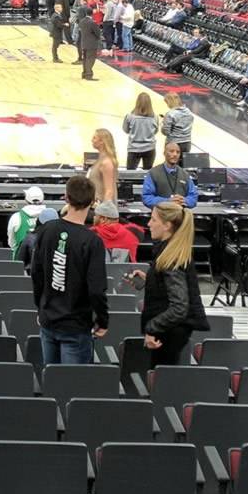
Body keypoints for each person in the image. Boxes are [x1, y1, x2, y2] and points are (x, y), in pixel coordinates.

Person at [27, 174, 109, 364]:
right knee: (72, 386)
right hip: (76, 326)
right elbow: (97, 289)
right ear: (93, 202)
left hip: (49, 320)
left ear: (66, 197)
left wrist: (40, 307)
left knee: (53, 382)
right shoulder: (92, 241)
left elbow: (36, 274)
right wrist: (103, 320)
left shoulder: (47, 230)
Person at [130, 201, 209, 366]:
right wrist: (150, 278)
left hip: (168, 333)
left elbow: (179, 307)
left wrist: (152, 328)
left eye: (153, 220)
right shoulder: (170, 251)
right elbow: (171, 285)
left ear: (167, 225)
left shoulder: (171, 259)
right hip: (170, 331)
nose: (148, 224)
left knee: (162, 382)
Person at [140, 143, 198, 211]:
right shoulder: (153, 173)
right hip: (160, 217)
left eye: (178, 152)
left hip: (180, 218)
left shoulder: (185, 174)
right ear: (164, 153)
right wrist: (168, 201)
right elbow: (147, 198)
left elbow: (193, 197)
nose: (175, 154)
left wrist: (183, 201)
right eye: (171, 151)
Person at [7, 186, 47, 257]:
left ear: (26, 199)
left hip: (20, 264)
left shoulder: (16, 217)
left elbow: (11, 243)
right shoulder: (50, 217)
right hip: (43, 263)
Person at [123, 93, 159, 171]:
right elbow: (155, 131)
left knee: (130, 173)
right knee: (147, 173)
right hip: (150, 148)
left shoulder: (129, 116)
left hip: (134, 148)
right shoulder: (155, 117)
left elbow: (126, 130)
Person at [88, 129, 120, 205]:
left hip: (102, 207)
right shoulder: (100, 160)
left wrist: (104, 210)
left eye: (94, 138)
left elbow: (109, 191)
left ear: (102, 141)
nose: (92, 140)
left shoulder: (107, 162)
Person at [77, 2, 102, 79]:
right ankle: (88, 75)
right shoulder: (92, 23)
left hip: (84, 43)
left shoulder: (82, 21)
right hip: (92, 44)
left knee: (85, 59)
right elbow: (98, 33)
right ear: (92, 14)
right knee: (90, 59)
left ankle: (84, 73)